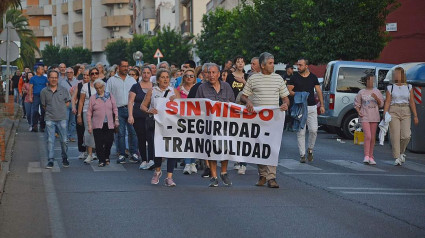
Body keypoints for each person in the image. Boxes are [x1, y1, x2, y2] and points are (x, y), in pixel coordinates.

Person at [241, 52, 290, 188]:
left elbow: (285, 97)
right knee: (259, 146)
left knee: (272, 147)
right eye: (270, 63)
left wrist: (285, 103)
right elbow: (243, 96)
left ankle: (272, 177)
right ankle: (262, 174)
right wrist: (248, 101)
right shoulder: (253, 79)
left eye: (273, 62)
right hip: (257, 119)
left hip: (273, 119)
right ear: (262, 66)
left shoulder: (278, 79)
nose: (273, 65)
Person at [196, 63, 235, 187]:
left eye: (214, 72)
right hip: (209, 124)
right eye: (209, 73)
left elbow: (232, 104)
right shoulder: (202, 88)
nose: (211, 75)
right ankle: (214, 176)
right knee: (211, 149)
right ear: (205, 74)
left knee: (225, 148)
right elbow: (197, 107)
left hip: (225, 124)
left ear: (219, 74)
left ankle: (224, 172)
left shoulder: (227, 86)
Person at [141, 69, 180, 186]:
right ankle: (157, 171)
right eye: (162, 77)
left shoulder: (174, 91)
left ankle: (169, 177)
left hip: (171, 124)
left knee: (171, 150)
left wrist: (177, 101)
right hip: (156, 124)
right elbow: (142, 105)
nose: (165, 79)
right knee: (157, 149)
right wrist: (149, 110)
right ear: (158, 79)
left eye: (167, 77)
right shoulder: (152, 91)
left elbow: (183, 107)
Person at [287, 59, 324, 163]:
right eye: (297, 65)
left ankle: (310, 149)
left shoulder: (313, 77)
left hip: (312, 107)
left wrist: (322, 105)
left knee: (314, 130)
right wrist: (299, 95)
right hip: (299, 107)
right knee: (301, 132)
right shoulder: (294, 77)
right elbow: (289, 90)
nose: (298, 67)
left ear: (306, 66)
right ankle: (302, 155)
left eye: (300, 65)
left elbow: (318, 91)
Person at [383, 67, 419, 166]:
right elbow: (388, 102)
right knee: (395, 136)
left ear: (402, 75)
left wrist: (415, 115)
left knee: (406, 136)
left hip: (406, 110)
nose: (396, 76)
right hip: (393, 110)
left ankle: (402, 152)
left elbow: (412, 101)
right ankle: (397, 156)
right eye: (395, 74)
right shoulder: (391, 87)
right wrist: (385, 113)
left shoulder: (409, 87)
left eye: (398, 74)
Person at [106, 59, 140, 164]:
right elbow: (107, 96)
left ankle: (134, 153)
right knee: (120, 133)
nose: (126, 68)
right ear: (119, 67)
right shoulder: (111, 80)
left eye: (127, 66)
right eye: (123, 66)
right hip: (118, 109)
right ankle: (121, 154)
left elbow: (137, 95)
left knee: (133, 132)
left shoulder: (132, 80)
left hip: (131, 109)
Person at [40, 70, 71, 168]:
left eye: (55, 77)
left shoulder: (63, 90)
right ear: (48, 78)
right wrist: (52, 110)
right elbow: (44, 105)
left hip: (62, 118)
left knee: (64, 140)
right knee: (50, 140)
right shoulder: (44, 91)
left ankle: (64, 157)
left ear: (58, 79)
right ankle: (50, 160)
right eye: (52, 77)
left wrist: (60, 109)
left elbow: (67, 102)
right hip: (49, 118)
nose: (54, 79)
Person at [128, 66, 155, 170]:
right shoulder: (135, 86)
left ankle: (151, 159)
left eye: (148, 73)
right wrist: (130, 116)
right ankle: (144, 160)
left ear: (151, 74)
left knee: (151, 137)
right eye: (144, 72)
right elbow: (130, 101)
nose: (146, 75)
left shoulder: (154, 86)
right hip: (138, 116)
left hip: (151, 117)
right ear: (141, 74)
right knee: (141, 138)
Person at [87, 79, 119, 167]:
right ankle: (101, 160)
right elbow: (89, 112)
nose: (99, 90)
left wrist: (116, 119)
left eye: (100, 87)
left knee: (109, 141)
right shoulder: (93, 98)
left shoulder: (110, 96)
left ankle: (106, 156)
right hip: (97, 124)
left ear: (104, 87)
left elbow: (115, 109)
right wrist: (89, 125)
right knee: (99, 143)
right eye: (97, 88)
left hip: (109, 123)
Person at [354, 74, 384, 165]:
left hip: (374, 117)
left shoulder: (377, 91)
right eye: (369, 81)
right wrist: (358, 111)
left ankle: (371, 156)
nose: (370, 82)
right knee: (368, 136)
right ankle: (366, 156)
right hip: (365, 117)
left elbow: (381, 104)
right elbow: (357, 104)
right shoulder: (361, 92)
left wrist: (376, 98)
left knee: (372, 137)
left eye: (372, 81)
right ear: (366, 82)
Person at [176, 68, 198, 175]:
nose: (189, 78)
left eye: (191, 76)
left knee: (194, 140)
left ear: (195, 78)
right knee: (186, 140)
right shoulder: (179, 89)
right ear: (183, 77)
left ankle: (193, 162)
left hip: (196, 117)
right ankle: (187, 163)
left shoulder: (198, 88)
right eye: (186, 76)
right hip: (183, 117)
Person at [77, 68, 99, 163]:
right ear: (90, 75)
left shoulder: (103, 85)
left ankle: (97, 153)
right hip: (87, 112)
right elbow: (81, 101)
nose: (94, 75)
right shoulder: (85, 86)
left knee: (99, 132)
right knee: (89, 132)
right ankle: (89, 154)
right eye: (92, 73)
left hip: (100, 113)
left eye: (96, 73)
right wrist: (79, 114)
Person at [72, 69, 90, 160]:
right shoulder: (79, 85)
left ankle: (91, 151)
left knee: (91, 132)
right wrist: (73, 107)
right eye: (84, 75)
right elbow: (74, 97)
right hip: (80, 109)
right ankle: (83, 151)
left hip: (91, 110)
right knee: (80, 131)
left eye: (87, 75)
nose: (85, 77)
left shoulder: (94, 85)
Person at [60, 67, 79, 142]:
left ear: (73, 73)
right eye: (68, 72)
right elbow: (60, 93)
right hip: (65, 103)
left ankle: (71, 136)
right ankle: (65, 136)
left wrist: (77, 100)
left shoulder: (77, 82)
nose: (69, 74)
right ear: (66, 73)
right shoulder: (62, 82)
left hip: (74, 103)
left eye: (71, 72)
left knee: (73, 121)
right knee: (65, 120)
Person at [29, 65, 48, 132]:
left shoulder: (45, 78)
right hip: (36, 96)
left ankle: (42, 126)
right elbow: (30, 88)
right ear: (37, 70)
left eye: (43, 69)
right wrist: (30, 97)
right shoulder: (33, 78)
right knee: (35, 111)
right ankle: (34, 125)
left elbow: (47, 87)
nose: (43, 71)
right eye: (42, 69)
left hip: (43, 97)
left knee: (43, 111)